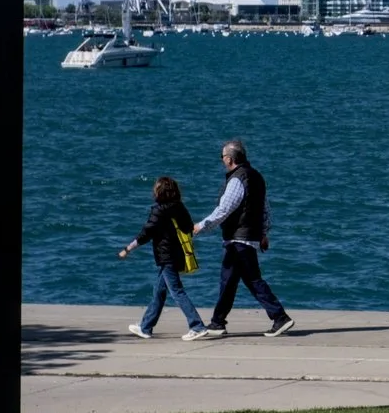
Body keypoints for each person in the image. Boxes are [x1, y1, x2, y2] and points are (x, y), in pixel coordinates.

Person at [195, 139, 295, 336]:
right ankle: (217, 322)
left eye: (222, 156)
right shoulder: (256, 176)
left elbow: (224, 209)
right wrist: (263, 234)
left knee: (251, 281)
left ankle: (280, 317)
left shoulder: (237, 179)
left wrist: (201, 226)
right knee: (230, 282)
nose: (222, 160)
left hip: (237, 239)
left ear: (229, 159)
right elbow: (265, 209)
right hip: (248, 238)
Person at [119, 175, 216, 340]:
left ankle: (197, 326)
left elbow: (146, 233)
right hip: (178, 254)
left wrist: (127, 249)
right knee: (159, 292)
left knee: (177, 291)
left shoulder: (158, 210)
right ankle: (146, 327)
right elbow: (188, 228)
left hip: (166, 257)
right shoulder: (179, 207)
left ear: (159, 193)